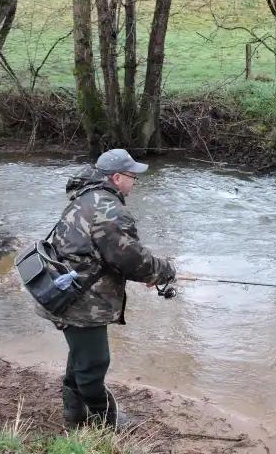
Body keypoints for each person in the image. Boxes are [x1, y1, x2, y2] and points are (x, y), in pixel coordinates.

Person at [35, 148, 176, 429]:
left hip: (65, 290)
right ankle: (106, 419)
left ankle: (74, 414)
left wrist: (150, 272)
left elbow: (112, 254)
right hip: (83, 300)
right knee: (95, 362)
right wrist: (164, 271)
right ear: (116, 177)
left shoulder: (86, 196)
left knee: (82, 355)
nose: (135, 180)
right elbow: (130, 257)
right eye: (132, 175)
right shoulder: (109, 209)